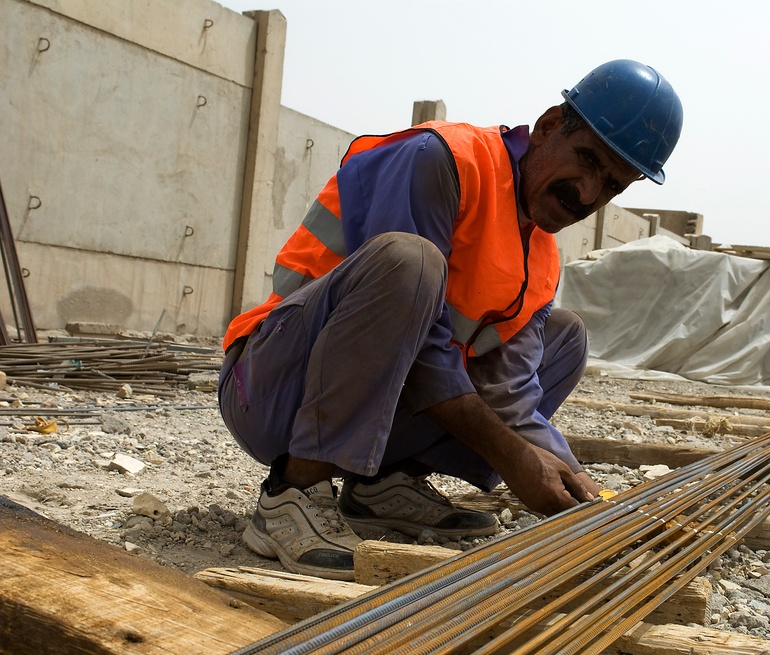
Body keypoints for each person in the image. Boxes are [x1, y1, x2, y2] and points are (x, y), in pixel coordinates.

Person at [217, 59, 683, 580]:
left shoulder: (541, 257)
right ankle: (292, 495)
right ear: (550, 126)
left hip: (373, 412)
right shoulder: (442, 161)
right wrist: (512, 458)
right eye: (588, 161)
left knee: (565, 337)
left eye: (613, 185)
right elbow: (419, 349)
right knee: (409, 262)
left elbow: (513, 395)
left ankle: (383, 484)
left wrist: (579, 488)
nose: (589, 194)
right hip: (272, 388)